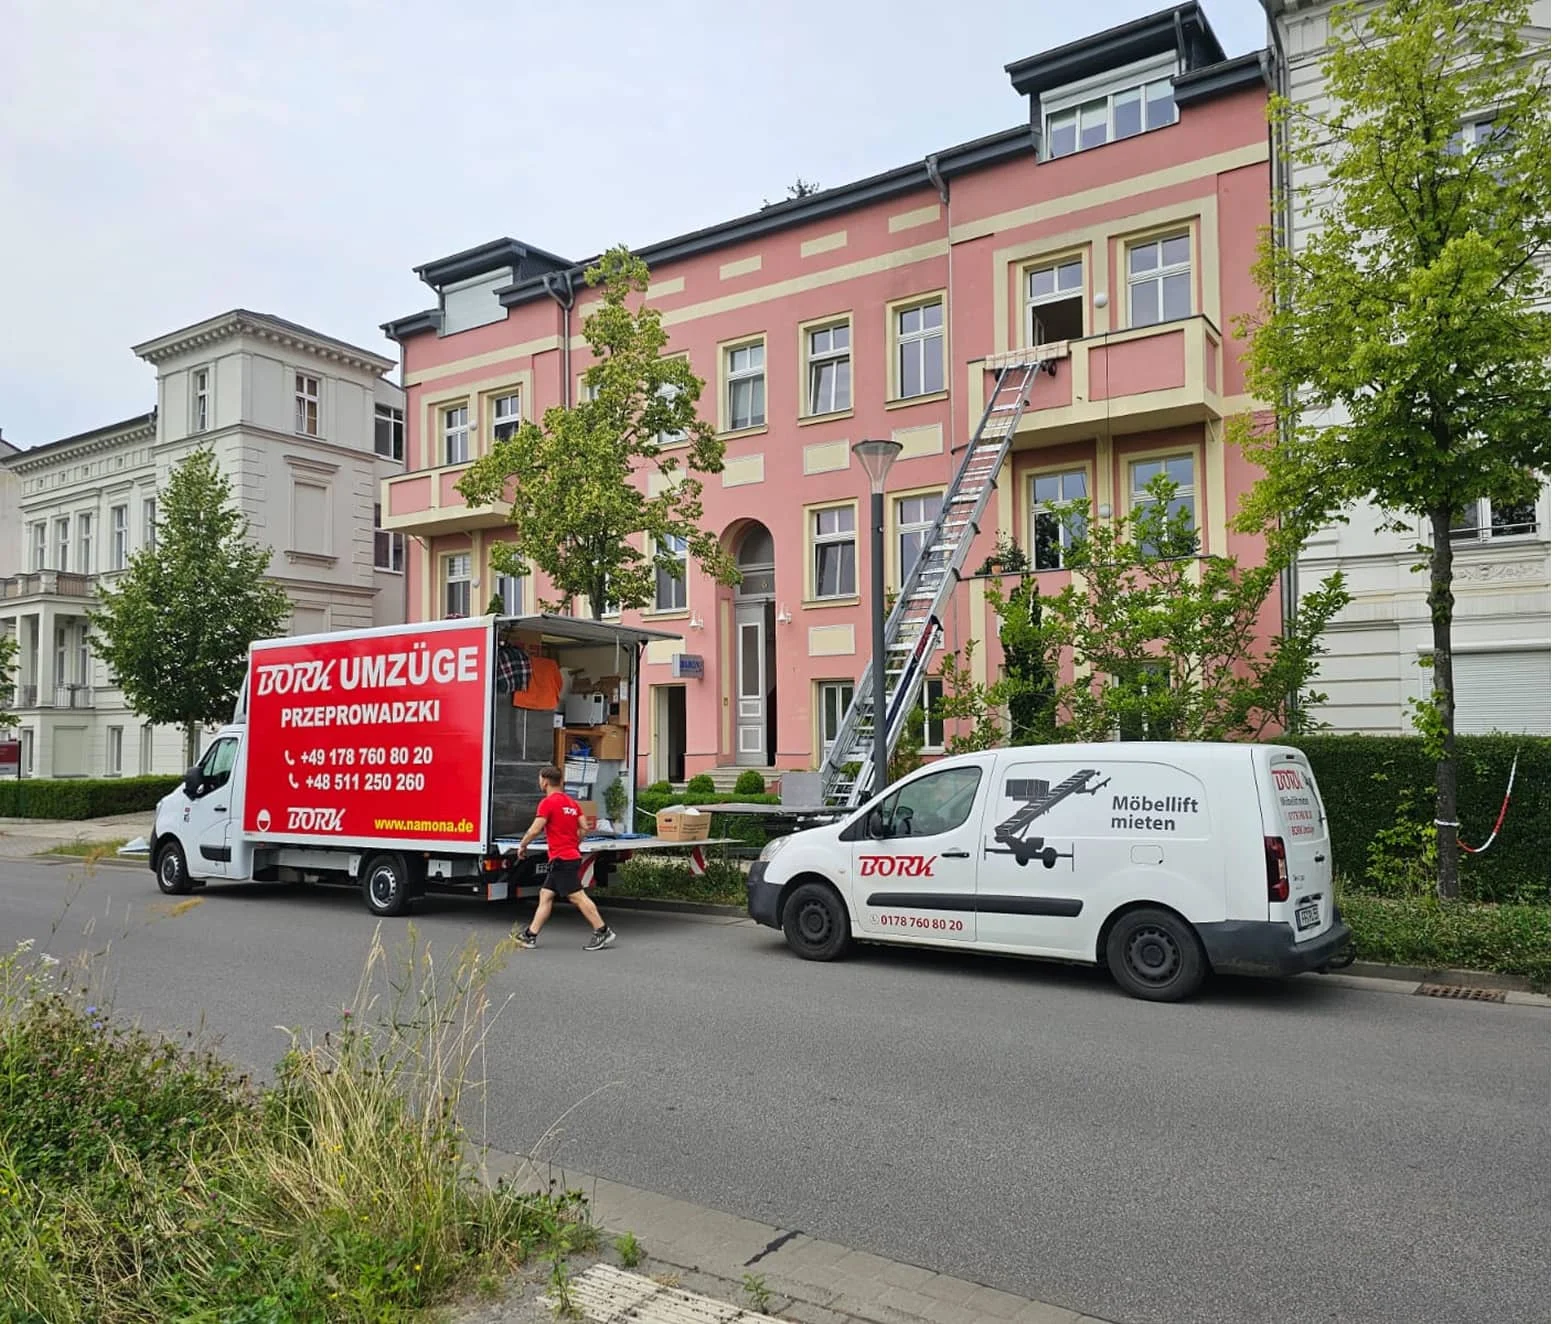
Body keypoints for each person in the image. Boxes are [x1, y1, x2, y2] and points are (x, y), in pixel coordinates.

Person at [513, 765, 616, 951]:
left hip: (562, 858)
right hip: (570, 855)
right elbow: (584, 827)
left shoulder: (548, 802)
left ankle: (602, 931)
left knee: (577, 896)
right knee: (546, 894)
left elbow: (535, 829)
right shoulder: (571, 803)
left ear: (544, 781)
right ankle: (530, 935)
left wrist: (523, 845)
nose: (539, 782)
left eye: (539, 779)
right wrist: (574, 841)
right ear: (560, 781)